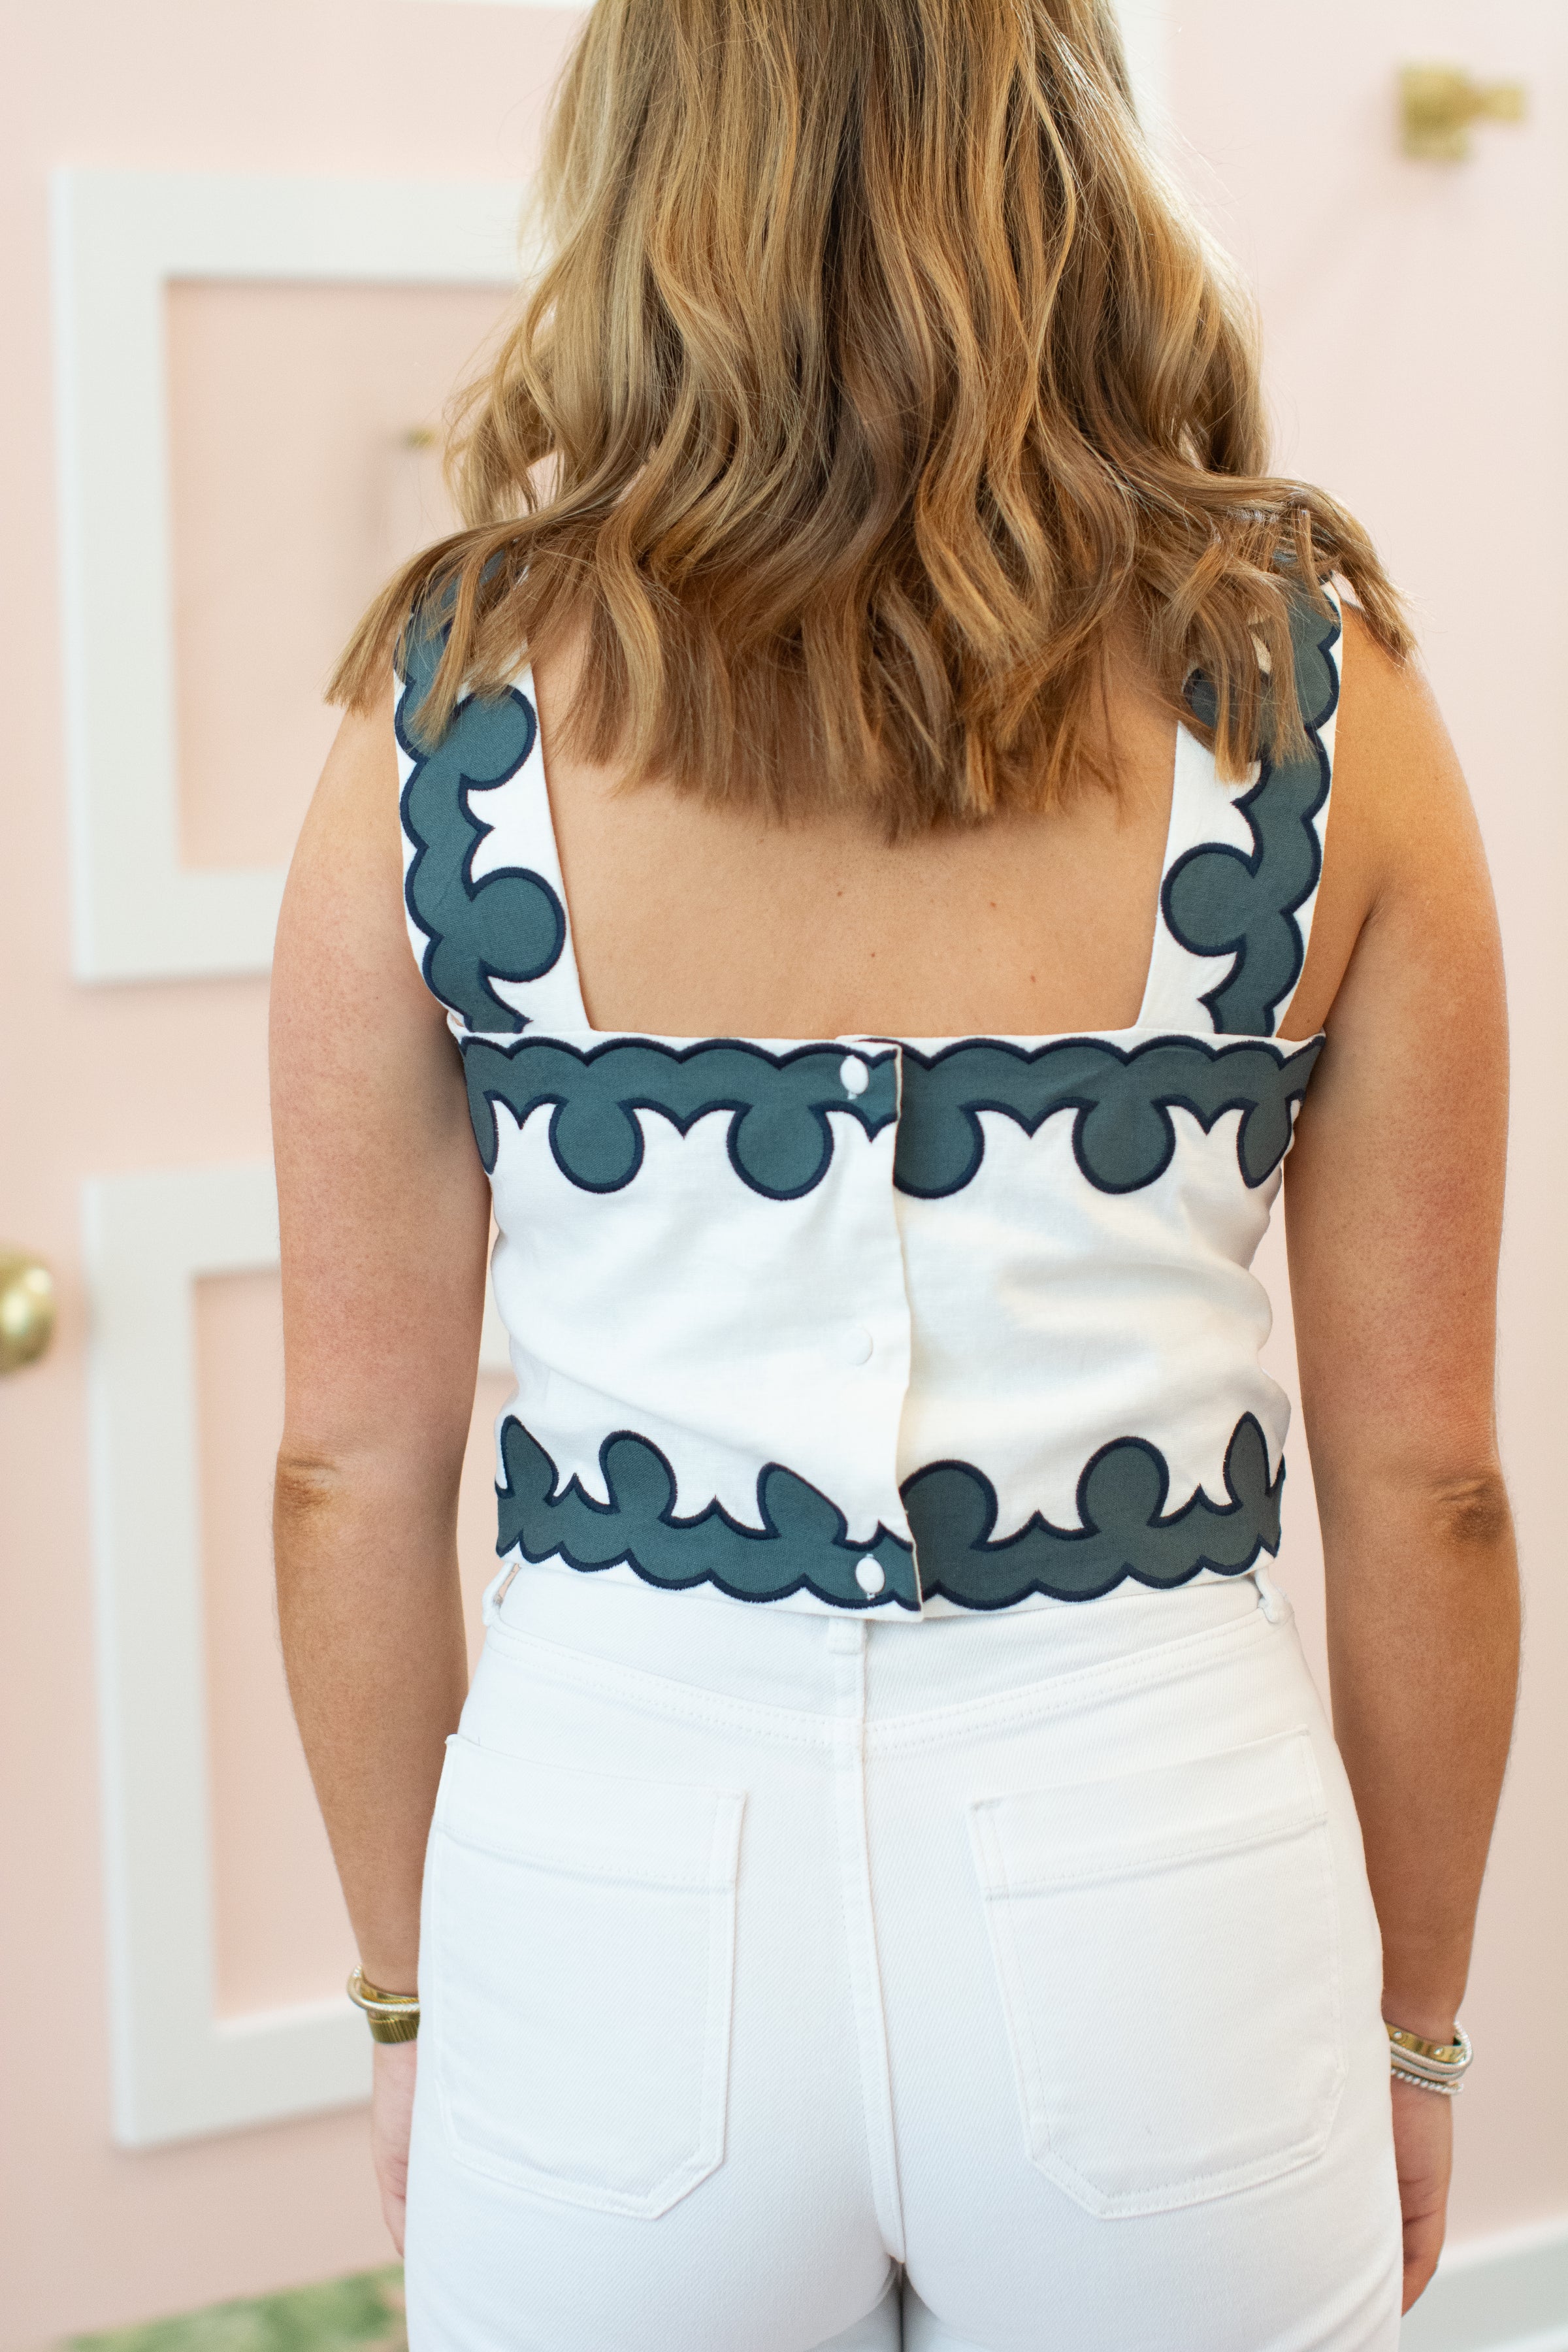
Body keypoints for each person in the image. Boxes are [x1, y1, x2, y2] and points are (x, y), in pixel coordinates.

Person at [269, 4, 1519, 2345]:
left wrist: (419, 2007)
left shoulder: (447, 704)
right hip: (1158, 1877)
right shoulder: (1312, 695)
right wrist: (1419, 2029)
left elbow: (352, 1472)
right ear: (1069, 151)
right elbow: (1428, 1488)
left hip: (613, 1885)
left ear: (646, 166)